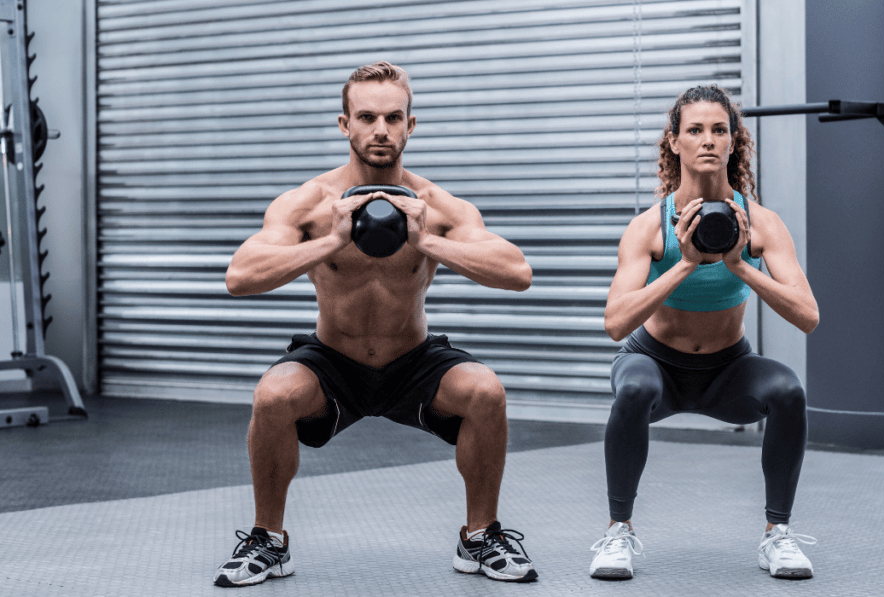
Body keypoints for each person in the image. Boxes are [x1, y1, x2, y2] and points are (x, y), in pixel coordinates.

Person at [214, 61, 538, 587]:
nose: (381, 130)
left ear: (412, 125)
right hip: (332, 360)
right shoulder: (310, 204)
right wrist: (330, 243)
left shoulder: (435, 205)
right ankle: (268, 541)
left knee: (486, 392)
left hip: (411, 360)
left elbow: (518, 273)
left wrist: (428, 242)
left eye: (393, 117)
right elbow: (239, 276)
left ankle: (479, 536)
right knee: (272, 396)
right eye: (366, 117)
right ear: (345, 124)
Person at [588, 85, 820, 580]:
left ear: (734, 141)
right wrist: (685, 264)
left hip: (726, 370)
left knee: (788, 391)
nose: (707, 140)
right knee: (634, 387)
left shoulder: (761, 223)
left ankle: (777, 535)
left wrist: (739, 264)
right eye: (694, 130)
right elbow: (614, 324)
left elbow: (807, 315)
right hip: (655, 364)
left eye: (719, 130)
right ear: (674, 142)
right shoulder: (649, 227)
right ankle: (617, 531)